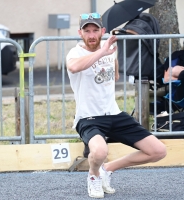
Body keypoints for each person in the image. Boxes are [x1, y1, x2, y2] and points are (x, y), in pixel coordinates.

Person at [66, 13, 167, 199]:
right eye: (87, 31)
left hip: (114, 114)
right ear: (80, 33)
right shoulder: (75, 52)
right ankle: (94, 177)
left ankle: (107, 169)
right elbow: (73, 67)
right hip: (88, 118)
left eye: (95, 30)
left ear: (102, 31)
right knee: (100, 151)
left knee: (158, 151)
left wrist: (107, 52)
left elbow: (115, 75)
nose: (91, 35)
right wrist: (101, 52)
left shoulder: (110, 47)